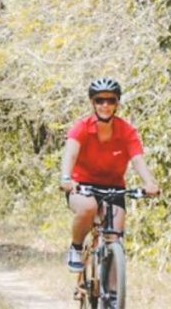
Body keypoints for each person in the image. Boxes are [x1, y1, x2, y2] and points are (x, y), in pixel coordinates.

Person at [58, 77, 160, 272]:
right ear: (92, 103)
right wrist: (66, 178)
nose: (105, 105)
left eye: (110, 100)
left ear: (117, 103)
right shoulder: (81, 128)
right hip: (82, 185)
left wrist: (149, 183)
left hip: (114, 188)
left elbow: (137, 159)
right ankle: (77, 247)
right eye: (100, 100)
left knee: (114, 238)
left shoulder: (126, 130)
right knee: (88, 207)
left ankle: (112, 296)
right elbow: (70, 153)